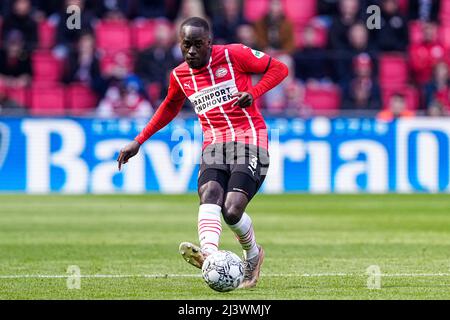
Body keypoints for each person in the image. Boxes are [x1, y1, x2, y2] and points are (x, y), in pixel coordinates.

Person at [117, 17, 288, 289]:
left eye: (198, 45)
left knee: (231, 211)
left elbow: (279, 69)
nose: (192, 51)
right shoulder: (179, 75)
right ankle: (209, 255)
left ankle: (253, 255)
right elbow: (168, 108)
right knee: (209, 195)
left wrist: (254, 92)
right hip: (214, 144)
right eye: (187, 45)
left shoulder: (234, 55)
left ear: (210, 43)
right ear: (180, 45)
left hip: (249, 138)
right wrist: (139, 140)